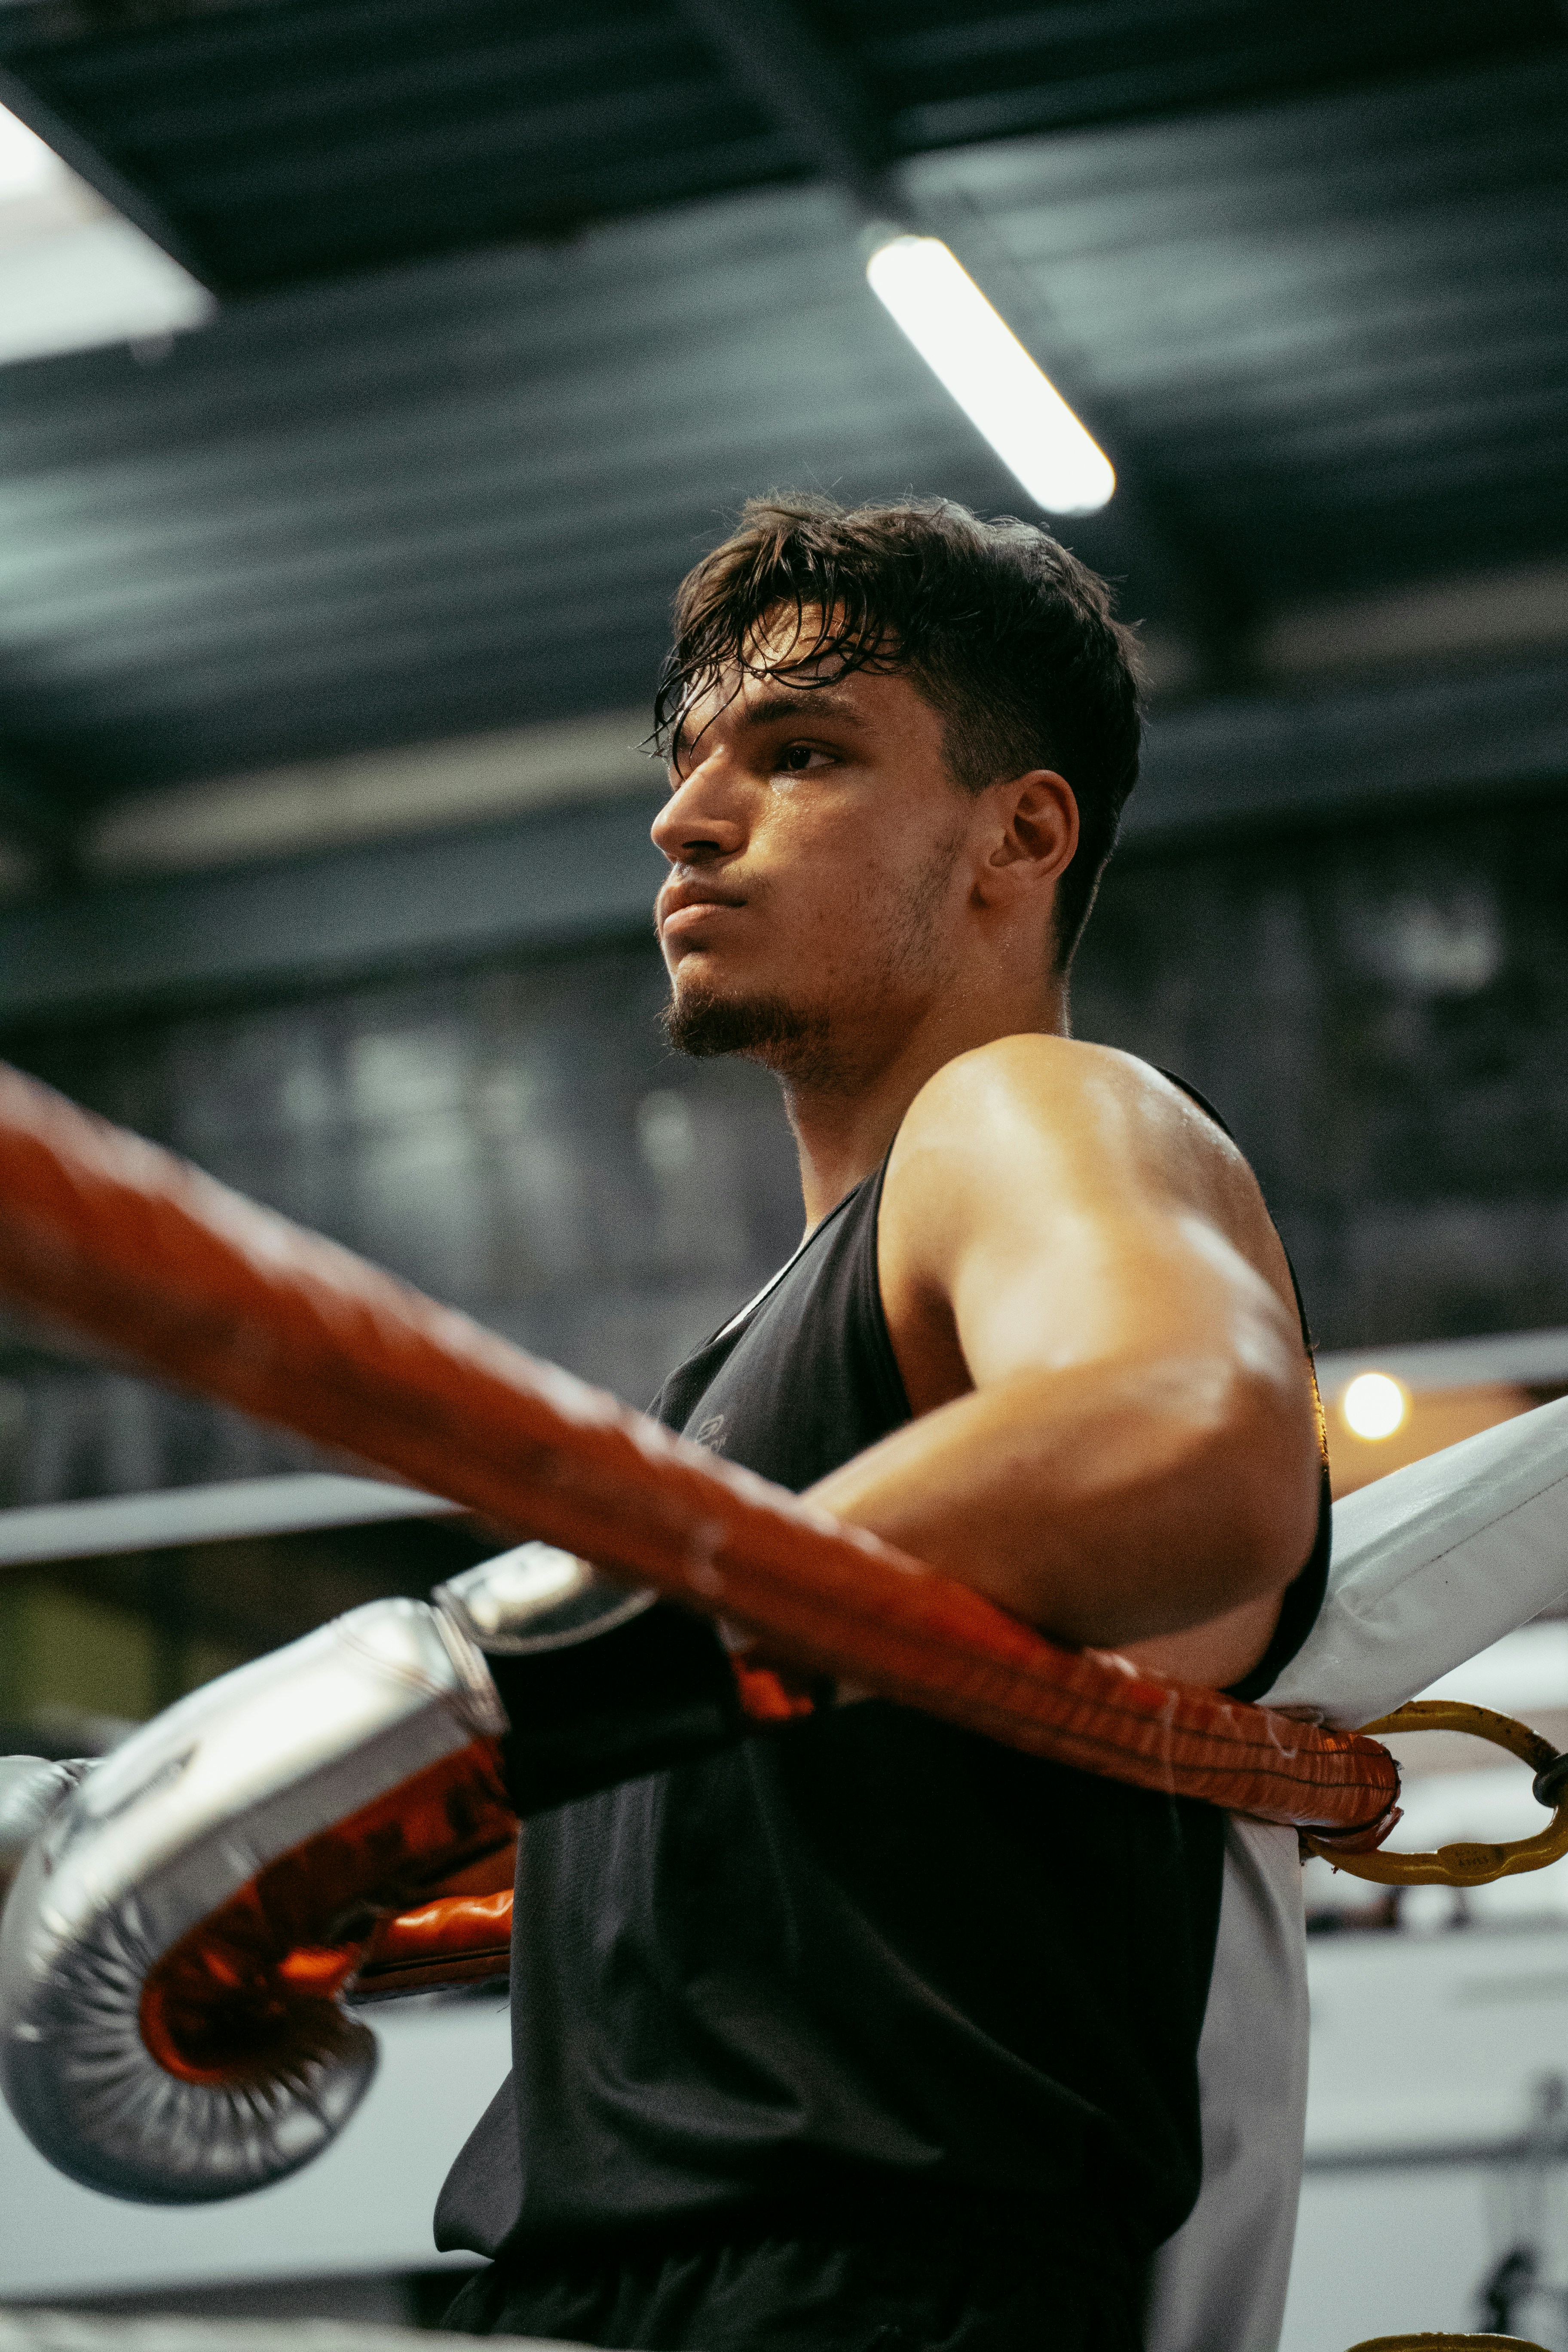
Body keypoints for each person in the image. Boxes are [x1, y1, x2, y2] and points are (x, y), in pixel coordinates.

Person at [435, 494, 1329, 2351]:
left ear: (1022, 834)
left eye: (802, 754)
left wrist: (504, 1669)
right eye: (691, 762)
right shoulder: (760, 1367)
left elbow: (1189, 1423)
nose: (689, 818)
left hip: (859, 2299)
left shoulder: (1024, 1113)